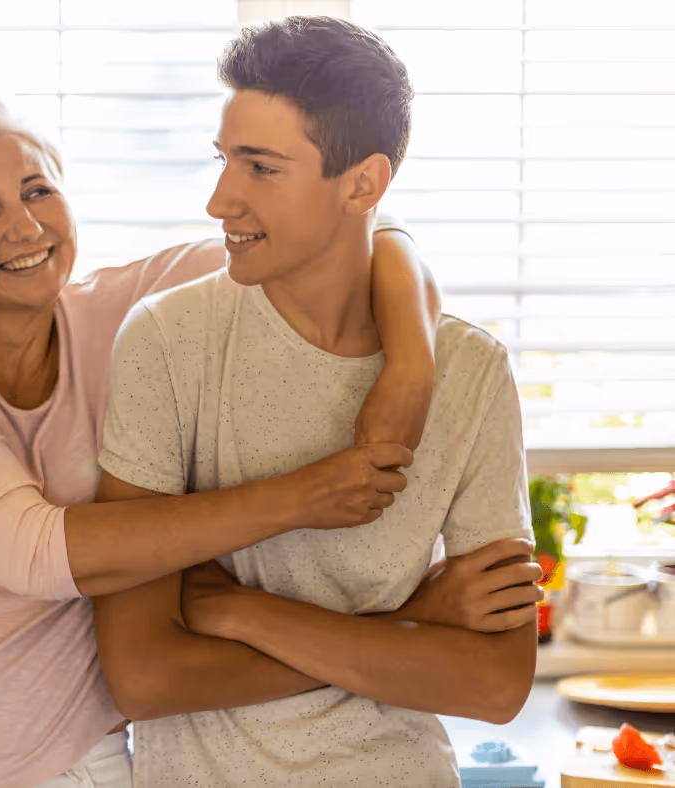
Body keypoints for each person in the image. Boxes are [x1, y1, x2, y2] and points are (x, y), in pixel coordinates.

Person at [0, 92, 484, 788]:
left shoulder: (127, 315)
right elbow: (32, 552)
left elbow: (356, 229)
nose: (26, 224)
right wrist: (310, 509)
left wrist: (409, 368)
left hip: (77, 757)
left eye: (39, 191)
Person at [92, 17, 540, 788]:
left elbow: (495, 685)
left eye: (261, 168)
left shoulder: (469, 371)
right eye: (224, 159)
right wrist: (406, 633)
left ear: (362, 185)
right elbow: (144, 677)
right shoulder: (168, 340)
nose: (219, 200)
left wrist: (240, 611)